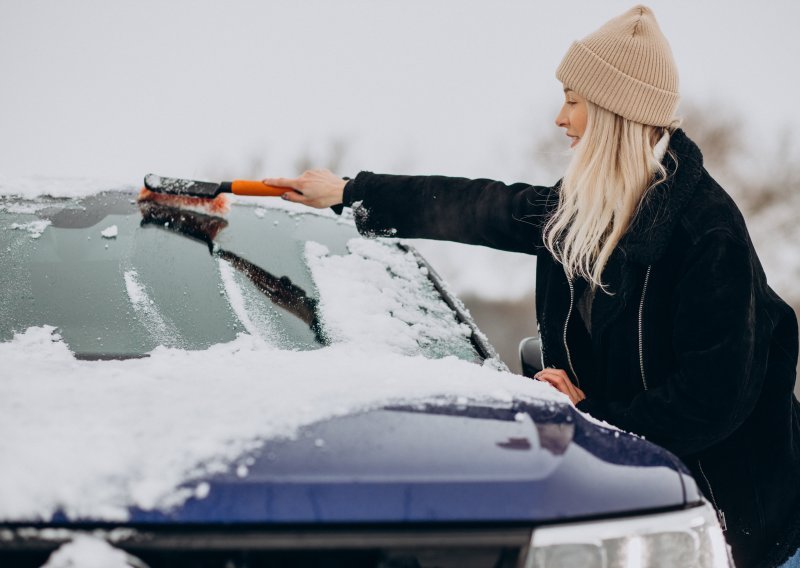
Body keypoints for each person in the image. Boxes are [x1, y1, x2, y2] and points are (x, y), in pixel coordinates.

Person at [263, 5, 800, 567]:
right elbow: (482, 207)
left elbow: (711, 401)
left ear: (614, 112)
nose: (560, 118)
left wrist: (590, 415)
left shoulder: (707, 234)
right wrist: (349, 192)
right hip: (649, 519)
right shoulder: (588, 212)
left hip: (749, 528)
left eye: (573, 100)